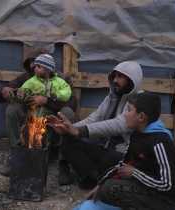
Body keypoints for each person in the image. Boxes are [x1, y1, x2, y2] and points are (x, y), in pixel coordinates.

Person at [79, 92, 175, 210]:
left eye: (129, 110)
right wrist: (100, 184)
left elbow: (168, 185)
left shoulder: (159, 142)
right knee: (104, 189)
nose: (124, 114)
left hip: (166, 200)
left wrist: (134, 173)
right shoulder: (137, 135)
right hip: (148, 188)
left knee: (111, 188)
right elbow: (123, 164)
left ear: (141, 117)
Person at [46, 61, 143, 190]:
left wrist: (78, 131)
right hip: (106, 149)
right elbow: (95, 118)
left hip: (124, 154)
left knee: (109, 158)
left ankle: (93, 176)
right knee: (68, 144)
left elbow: (118, 125)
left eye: (120, 76)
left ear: (132, 80)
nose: (115, 80)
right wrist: (69, 128)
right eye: (114, 76)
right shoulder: (111, 98)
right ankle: (97, 178)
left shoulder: (139, 100)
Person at [0, 48, 77, 183]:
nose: (32, 65)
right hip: (30, 122)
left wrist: (48, 101)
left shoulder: (62, 79)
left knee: (68, 113)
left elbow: (73, 104)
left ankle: (64, 164)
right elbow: (1, 94)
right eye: (30, 62)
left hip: (51, 123)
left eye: (36, 62)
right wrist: (3, 90)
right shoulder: (27, 78)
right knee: (12, 108)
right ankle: (17, 156)